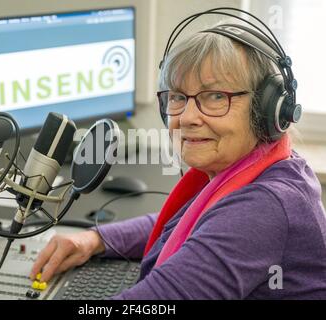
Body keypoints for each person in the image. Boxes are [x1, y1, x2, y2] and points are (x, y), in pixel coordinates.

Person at [30, 22, 326, 299]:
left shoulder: (265, 207)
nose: (186, 118)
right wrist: (96, 239)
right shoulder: (264, 165)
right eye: (177, 96)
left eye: (215, 97)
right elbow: (195, 223)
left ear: (267, 109)